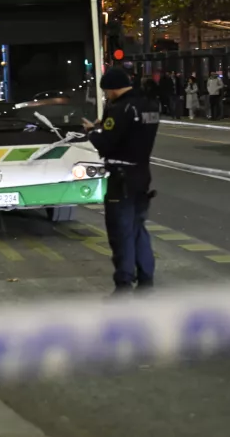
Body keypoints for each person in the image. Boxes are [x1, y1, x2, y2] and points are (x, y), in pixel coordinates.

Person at [79, 67, 160, 295]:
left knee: (121, 232)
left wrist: (92, 131)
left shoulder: (121, 109)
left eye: (107, 91)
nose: (106, 95)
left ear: (113, 88)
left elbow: (106, 143)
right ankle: (146, 281)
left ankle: (123, 284)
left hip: (121, 178)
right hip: (142, 175)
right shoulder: (150, 106)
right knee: (138, 229)